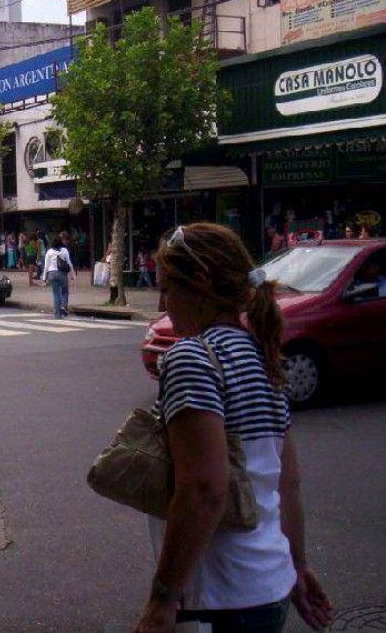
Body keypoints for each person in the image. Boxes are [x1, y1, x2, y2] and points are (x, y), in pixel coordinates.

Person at [134, 223, 333, 633]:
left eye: (168, 288)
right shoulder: (262, 355)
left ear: (201, 284)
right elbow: (287, 483)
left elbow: (205, 490)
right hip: (270, 584)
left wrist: (163, 598)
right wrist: (297, 567)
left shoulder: (192, 358)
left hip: (219, 596)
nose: (162, 302)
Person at [43, 236, 76, 317]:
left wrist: (44, 278)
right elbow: (69, 263)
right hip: (62, 274)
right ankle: (63, 306)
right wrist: (73, 274)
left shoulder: (49, 252)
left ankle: (57, 314)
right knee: (65, 291)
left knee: (56, 293)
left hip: (52, 274)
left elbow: (46, 266)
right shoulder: (64, 250)